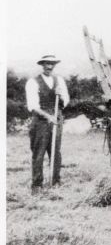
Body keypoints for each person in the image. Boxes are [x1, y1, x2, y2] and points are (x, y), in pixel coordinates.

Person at [25, 55, 70, 194]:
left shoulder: (59, 81)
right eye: (46, 64)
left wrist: (60, 96)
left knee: (55, 152)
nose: (49, 67)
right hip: (40, 122)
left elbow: (66, 100)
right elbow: (33, 105)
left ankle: (55, 181)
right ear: (42, 64)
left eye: (52, 64)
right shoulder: (33, 82)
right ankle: (37, 185)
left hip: (56, 121)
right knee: (38, 153)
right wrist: (47, 116)